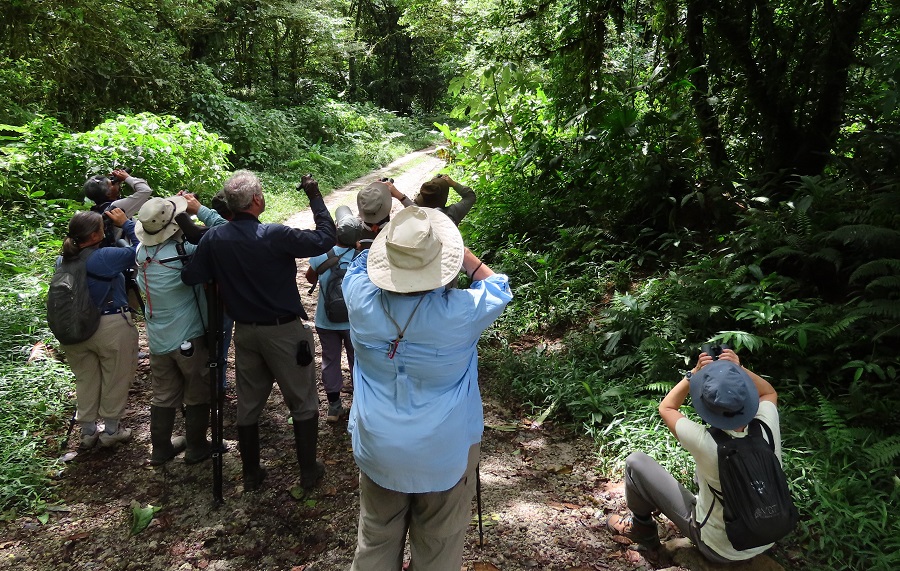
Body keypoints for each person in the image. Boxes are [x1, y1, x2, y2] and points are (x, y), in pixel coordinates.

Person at [343, 206, 512, 570]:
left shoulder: (358, 299)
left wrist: (384, 244)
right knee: (439, 544)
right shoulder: (462, 312)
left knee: (375, 539)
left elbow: (358, 265)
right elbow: (498, 286)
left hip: (378, 445)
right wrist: (464, 256)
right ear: (441, 264)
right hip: (444, 451)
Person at [181, 170, 336, 492]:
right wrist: (313, 195)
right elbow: (325, 238)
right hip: (284, 332)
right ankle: (308, 470)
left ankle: (252, 473)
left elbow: (192, 276)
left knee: (249, 403)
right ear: (256, 200)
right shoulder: (274, 235)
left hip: (245, 333)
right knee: (303, 401)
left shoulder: (214, 238)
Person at [605, 348, 781, 563]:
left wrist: (693, 375)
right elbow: (769, 392)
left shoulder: (706, 443)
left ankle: (642, 527)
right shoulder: (766, 425)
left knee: (635, 462)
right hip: (767, 534)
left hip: (720, 549)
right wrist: (738, 369)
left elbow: (667, 407)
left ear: (705, 406)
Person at [135, 196, 216, 466]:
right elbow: (211, 238)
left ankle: (160, 449)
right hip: (188, 334)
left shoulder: (141, 253)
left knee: (163, 393)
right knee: (196, 389)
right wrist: (188, 217)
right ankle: (196, 445)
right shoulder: (182, 253)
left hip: (157, 337)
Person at [57, 209, 139, 450]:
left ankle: (88, 431)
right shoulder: (104, 257)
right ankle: (111, 430)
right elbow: (142, 249)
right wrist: (127, 224)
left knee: (85, 379)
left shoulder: (62, 259)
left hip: (74, 330)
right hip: (109, 325)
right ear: (94, 235)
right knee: (116, 375)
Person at [304, 206, 361, 423]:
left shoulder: (321, 256)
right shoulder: (360, 258)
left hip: (326, 320)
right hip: (354, 321)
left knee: (330, 360)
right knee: (357, 360)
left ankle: (334, 407)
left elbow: (310, 278)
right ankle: (359, 403)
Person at [83, 169, 153, 246]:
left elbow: (143, 198)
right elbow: (145, 190)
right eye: (112, 184)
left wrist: (118, 182)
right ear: (108, 194)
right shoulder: (116, 207)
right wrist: (127, 177)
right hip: (128, 251)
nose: (115, 183)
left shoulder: (99, 209)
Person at [411, 174, 477, 226]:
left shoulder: (413, 209)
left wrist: (433, 184)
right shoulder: (450, 214)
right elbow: (470, 196)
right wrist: (453, 184)